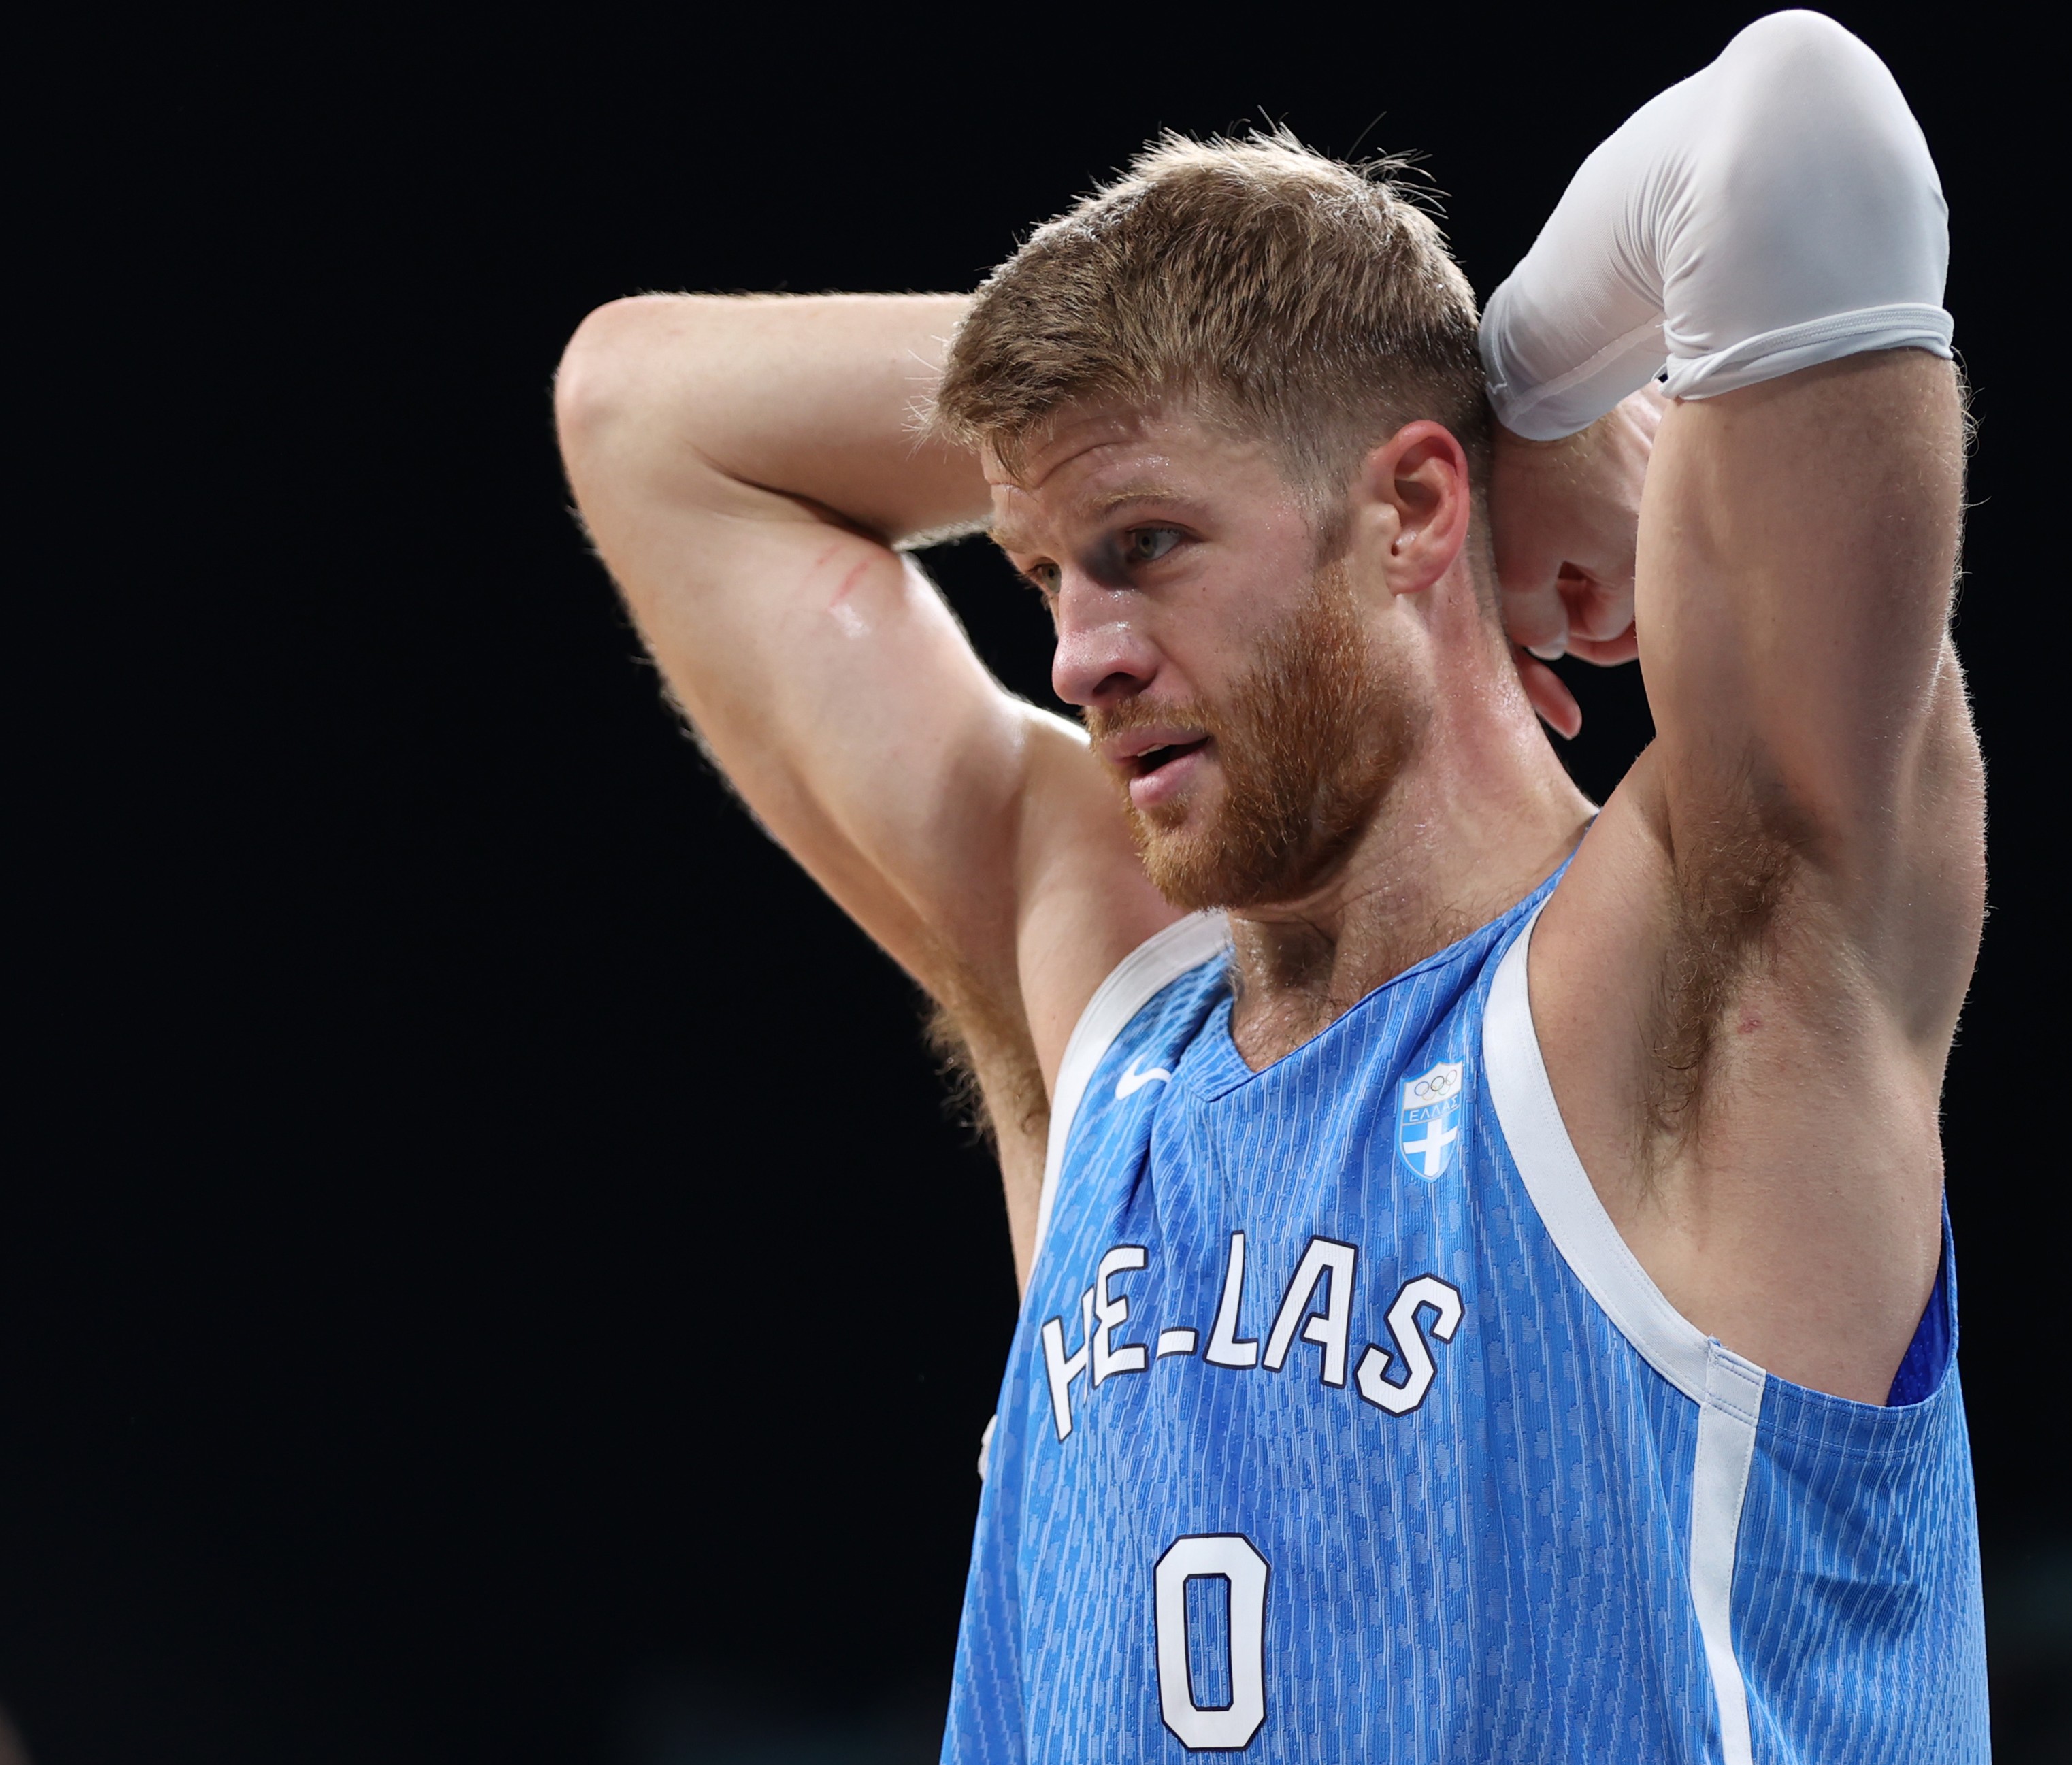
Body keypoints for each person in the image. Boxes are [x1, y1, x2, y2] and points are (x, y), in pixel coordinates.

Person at [555, 11, 1985, 1758]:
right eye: (1042, 570)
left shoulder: (1708, 961)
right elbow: (637, 413)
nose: (1078, 654)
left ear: (1412, 512)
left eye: (1145, 543)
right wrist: (1298, 412)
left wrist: (1525, 396)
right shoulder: (1109, 1009)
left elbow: (1800, 125)